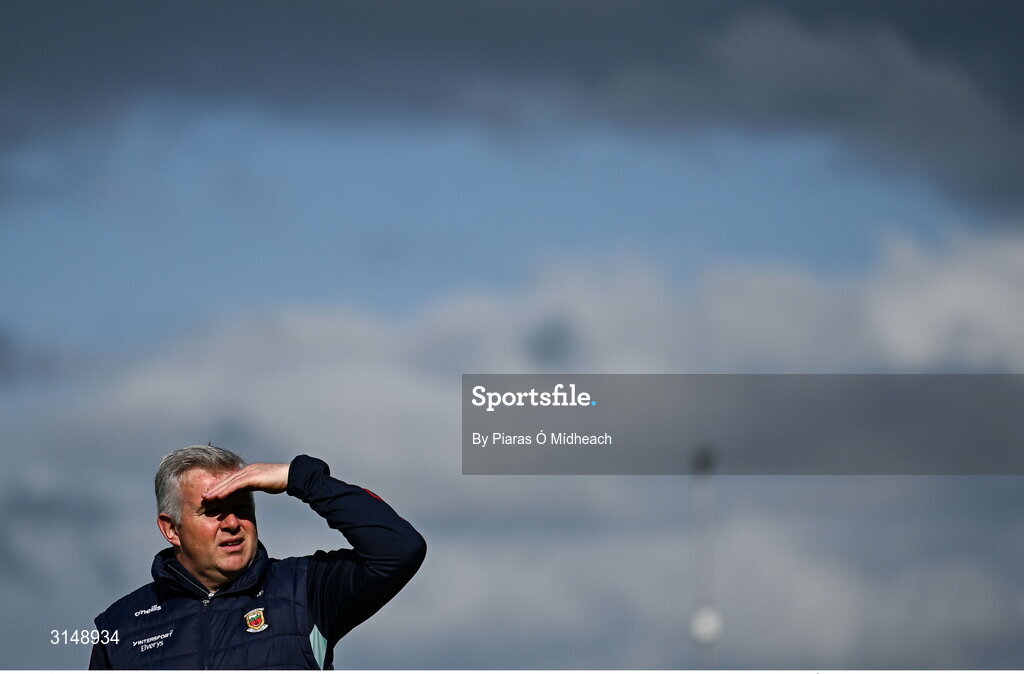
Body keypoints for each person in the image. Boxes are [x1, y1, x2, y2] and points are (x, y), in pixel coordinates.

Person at [89, 445, 426, 669]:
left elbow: (398, 549)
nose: (233, 523)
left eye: (241, 507)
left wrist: (297, 477)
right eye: (214, 511)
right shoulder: (120, 625)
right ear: (171, 529)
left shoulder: (305, 589)